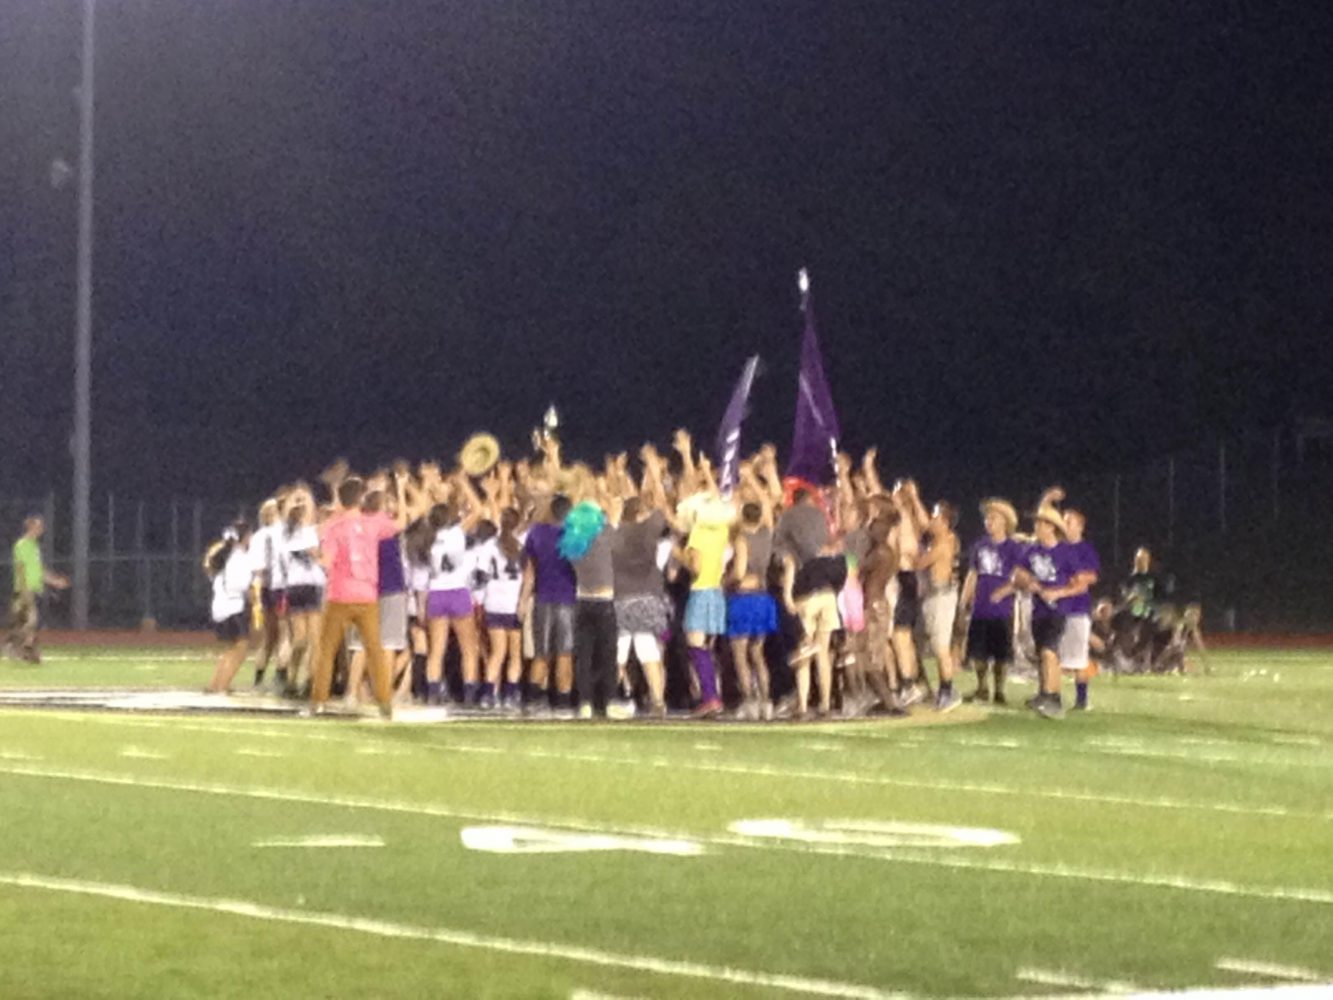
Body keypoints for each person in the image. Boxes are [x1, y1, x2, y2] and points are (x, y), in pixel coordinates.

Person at [309, 477, 398, 717]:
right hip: (367, 595)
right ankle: (385, 703)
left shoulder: (334, 527)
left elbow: (327, 562)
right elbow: (400, 523)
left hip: (339, 595)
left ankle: (318, 701)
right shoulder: (372, 522)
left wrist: (313, 556)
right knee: (375, 651)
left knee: (327, 651)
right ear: (360, 498)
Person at [1008, 505, 1078, 719]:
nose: (1036, 526)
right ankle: (1044, 693)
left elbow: (1079, 584)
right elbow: (1016, 576)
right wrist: (1028, 582)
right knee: (1042, 652)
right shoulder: (1031, 551)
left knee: (1049, 651)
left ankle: (1053, 698)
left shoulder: (1065, 553)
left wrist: (1058, 593)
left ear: (1051, 527)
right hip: (1038, 609)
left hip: (1058, 609)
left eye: (1041, 523)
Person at [611, 494, 671, 717]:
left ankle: (612, 699)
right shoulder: (649, 532)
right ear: (639, 514)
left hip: (621, 600)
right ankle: (657, 701)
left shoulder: (615, 534)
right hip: (647, 598)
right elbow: (662, 508)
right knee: (649, 652)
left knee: (618, 655)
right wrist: (655, 474)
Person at [959, 498, 1021, 704]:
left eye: (993, 518)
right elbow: (973, 573)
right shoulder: (979, 546)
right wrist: (964, 599)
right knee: (978, 651)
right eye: (987, 518)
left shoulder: (1013, 548)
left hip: (1002, 609)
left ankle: (1000, 690)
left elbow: (1020, 577)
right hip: (981, 606)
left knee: (1001, 653)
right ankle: (982, 687)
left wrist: (1005, 591)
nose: (989, 522)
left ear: (1004, 521)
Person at [519, 494, 577, 714]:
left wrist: (523, 601)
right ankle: (562, 700)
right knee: (565, 653)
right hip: (567, 601)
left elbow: (530, 572)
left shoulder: (536, 533)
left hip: (543, 599)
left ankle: (533, 699)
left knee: (541, 653)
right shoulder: (574, 536)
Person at [561, 500, 618, 719]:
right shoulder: (603, 539)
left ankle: (585, 703)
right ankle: (610, 701)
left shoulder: (572, 545)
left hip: (582, 601)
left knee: (583, 656)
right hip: (604, 601)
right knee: (607, 655)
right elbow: (612, 521)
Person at [424, 500, 481, 705]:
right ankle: (469, 696)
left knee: (436, 650)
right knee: (469, 648)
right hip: (457, 591)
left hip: (436, 591)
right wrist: (463, 482)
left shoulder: (429, 537)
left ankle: (432, 693)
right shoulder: (456, 532)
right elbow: (478, 510)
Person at [726, 501, 777, 720]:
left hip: (744, 599)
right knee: (758, 653)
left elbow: (738, 572)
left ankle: (749, 702)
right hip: (764, 598)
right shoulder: (766, 534)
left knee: (740, 654)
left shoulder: (741, 539)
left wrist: (724, 581)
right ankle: (766, 702)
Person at [1052, 508, 1101, 710]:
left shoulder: (1086, 549)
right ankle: (1052, 695)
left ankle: (1082, 699)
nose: (1065, 525)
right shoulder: (1058, 548)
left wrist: (1079, 578)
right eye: (1064, 521)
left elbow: (1092, 576)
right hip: (1057, 608)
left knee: (1079, 658)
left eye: (1069, 522)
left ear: (1080, 527)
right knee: (1054, 654)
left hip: (1078, 609)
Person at [479, 507, 527, 711]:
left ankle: (488, 695)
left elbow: (480, 575)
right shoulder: (522, 543)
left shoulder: (490, 545)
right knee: (515, 654)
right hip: (514, 603)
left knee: (497, 652)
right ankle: (510, 694)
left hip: (494, 603)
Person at [917, 500, 962, 711]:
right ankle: (943, 690)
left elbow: (920, 563)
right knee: (937, 646)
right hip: (938, 595)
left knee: (941, 647)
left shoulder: (943, 542)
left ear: (944, 521)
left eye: (935, 517)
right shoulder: (946, 539)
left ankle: (948, 691)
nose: (931, 520)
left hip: (940, 596)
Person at [279, 488, 324, 696]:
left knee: (307, 640)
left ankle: (300, 680)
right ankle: (300, 679)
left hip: (302, 586)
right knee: (307, 640)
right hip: (305, 587)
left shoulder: (295, 532)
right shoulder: (299, 533)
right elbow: (317, 555)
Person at [6, 516, 69, 663]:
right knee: (31, 620)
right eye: (39, 526)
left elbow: (39, 570)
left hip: (35, 589)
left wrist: (55, 581)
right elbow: (20, 568)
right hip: (25, 589)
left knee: (27, 623)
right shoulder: (22, 545)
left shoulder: (34, 546)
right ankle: (21, 646)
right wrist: (23, 590)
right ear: (31, 527)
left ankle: (19, 646)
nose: (42, 530)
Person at [205, 521, 256, 693]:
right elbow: (239, 584)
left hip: (220, 607)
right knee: (240, 650)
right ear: (244, 538)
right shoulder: (240, 558)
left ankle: (215, 685)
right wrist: (250, 592)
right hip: (233, 608)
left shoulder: (223, 556)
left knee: (230, 649)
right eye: (250, 535)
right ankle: (223, 686)